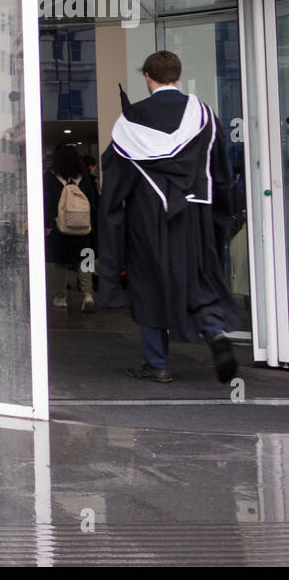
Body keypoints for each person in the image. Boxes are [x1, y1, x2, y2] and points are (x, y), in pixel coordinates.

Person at [98, 50, 239, 383]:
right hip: (195, 213)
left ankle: (158, 364)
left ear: (148, 77)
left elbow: (116, 181)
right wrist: (222, 216)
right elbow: (221, 171)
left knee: (149, 284)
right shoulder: (203, 115)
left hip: (148, 217)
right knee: (197, 278)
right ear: (178, 74)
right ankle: (214, 332)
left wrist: (112, 224)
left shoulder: (131, 121)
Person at [44, 141, 97, 313]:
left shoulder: (50, 178)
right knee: (86, 259)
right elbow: (94, 203)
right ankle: (87, 294)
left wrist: (49, 225)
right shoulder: (86, 178)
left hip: (61, 228)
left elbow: (47, 203)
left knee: (61, 262)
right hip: (84, 227)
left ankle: (61, 297)